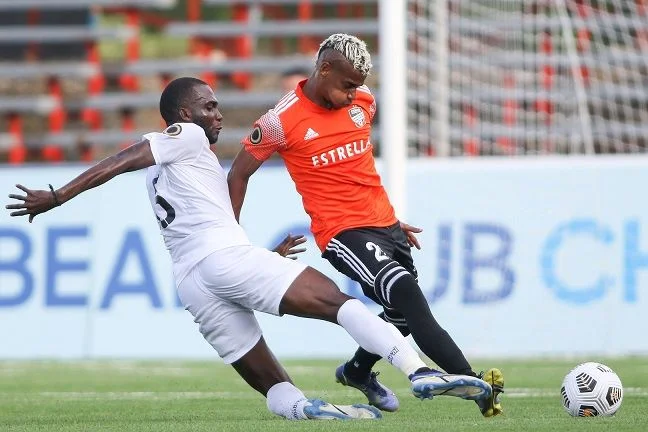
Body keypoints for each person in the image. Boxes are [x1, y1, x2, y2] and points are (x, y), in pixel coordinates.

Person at [6, 77, 491, 421]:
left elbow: (207, 224)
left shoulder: (174, 170)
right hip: (222, 261)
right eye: (208, 106)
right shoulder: (185, 136)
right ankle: (417, 371)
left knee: (271, 381)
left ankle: (304, 409)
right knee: (338, 304)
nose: (217, 114)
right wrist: (58, 196)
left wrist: (262, 254)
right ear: (183, 114)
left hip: (194, 283)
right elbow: (122, 159)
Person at [227, 34, 505, 417]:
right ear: (324, 69)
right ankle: (473, 383)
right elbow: (238, 174)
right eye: (347, 85)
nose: (352, 94)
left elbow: (355, 170)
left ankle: (357, 371)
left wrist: (391, 221)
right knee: (407, 294)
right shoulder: (280, 121)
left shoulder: (364, 101)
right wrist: (231, 237)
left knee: (400, 315)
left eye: (356, 86)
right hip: (343, 233)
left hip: (386, 225)